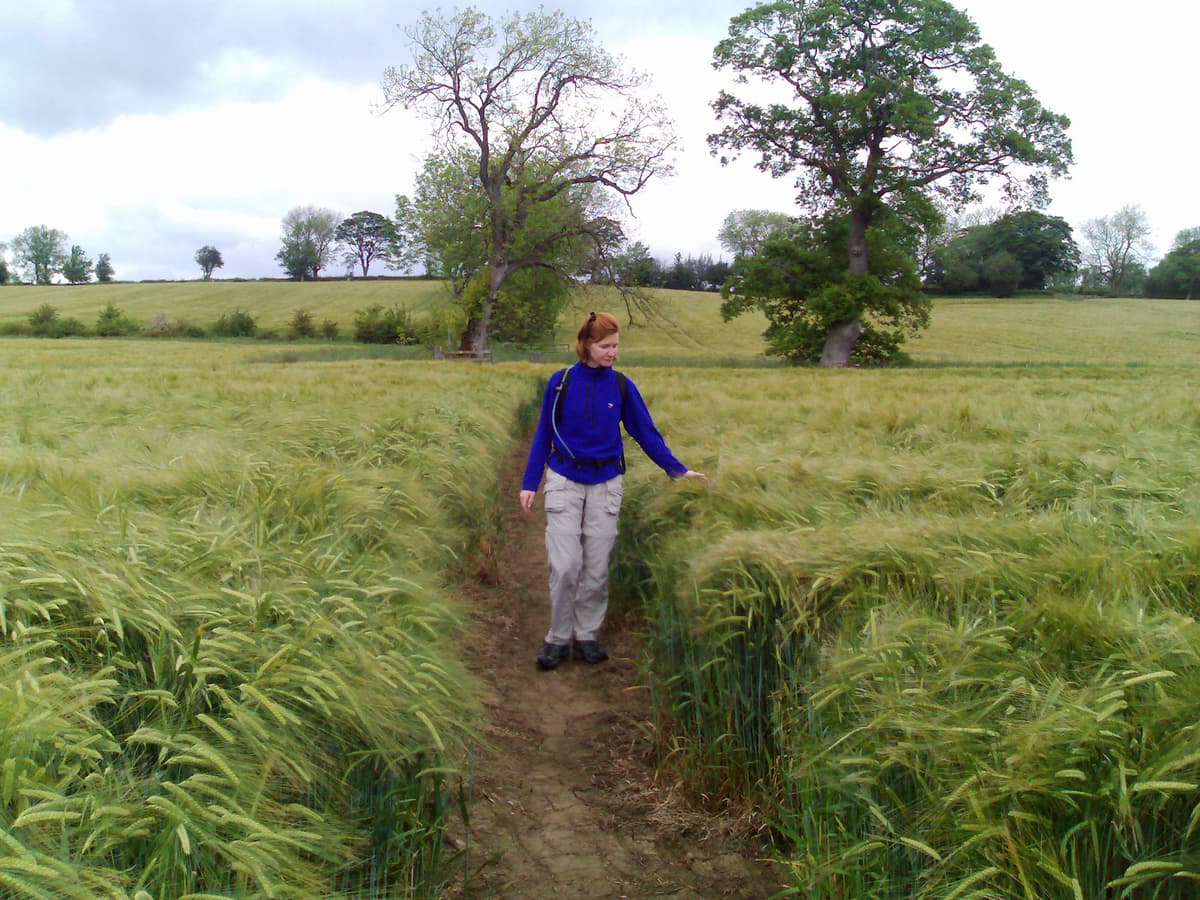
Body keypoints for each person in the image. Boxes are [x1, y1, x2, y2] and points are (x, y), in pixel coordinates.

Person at [520, 311, 706, 671]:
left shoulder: (622, 387)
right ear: (586, 345)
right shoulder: (560, 383)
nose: (613, 353)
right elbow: (543, 432)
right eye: (606, 346)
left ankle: (587, 635)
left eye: (616, 346)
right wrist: (530, 482)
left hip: (606, 485)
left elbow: (646, 433)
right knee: (565, 566)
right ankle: (558, 638)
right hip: (563, 482)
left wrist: (678, 471)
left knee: (596, 568)